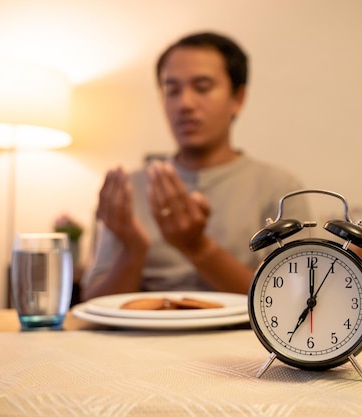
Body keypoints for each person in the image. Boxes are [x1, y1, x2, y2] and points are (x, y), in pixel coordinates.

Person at [81, 31, 309, 301]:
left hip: (245, 340)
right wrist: (133, 249)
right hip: (144, 340)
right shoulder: (129, 190)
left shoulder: (280, 189)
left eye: (202, 87)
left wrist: (199, 249)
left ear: (238, 98)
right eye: (172, 90)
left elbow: (297, 300)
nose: (185, 104)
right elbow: (93, 304)